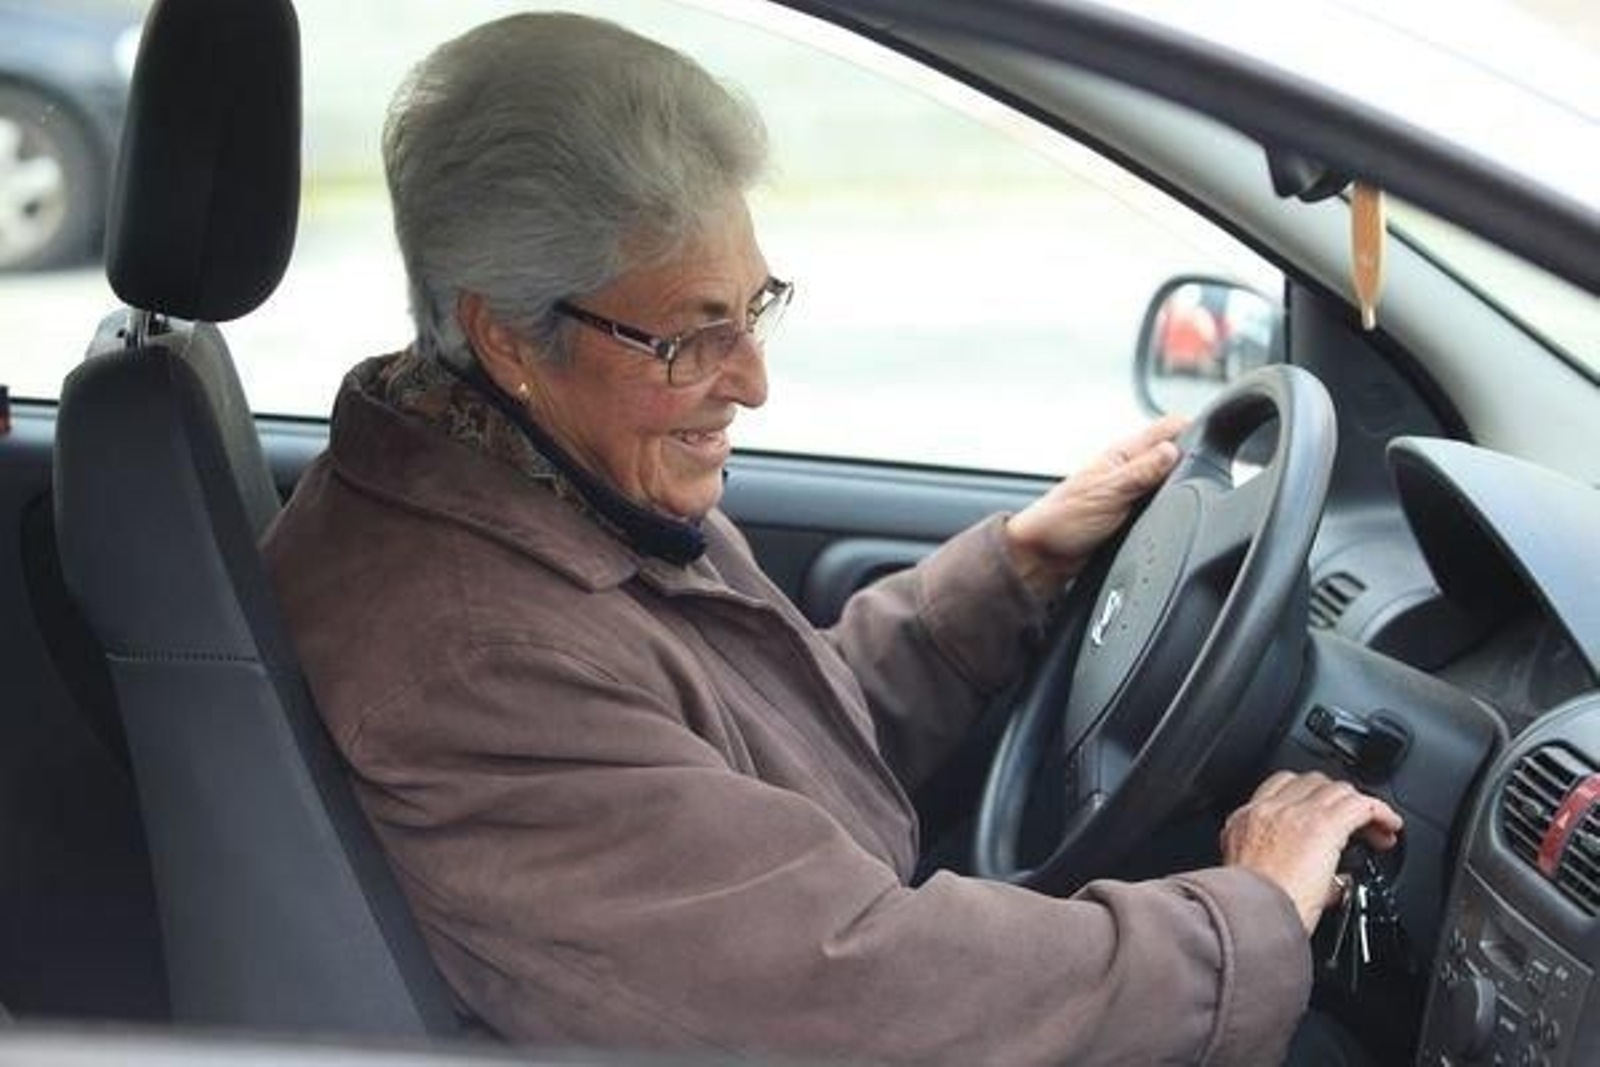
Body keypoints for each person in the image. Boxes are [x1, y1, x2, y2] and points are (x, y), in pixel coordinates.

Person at [263, 13, 1401, 1065]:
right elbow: (848, 991)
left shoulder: (537, 475)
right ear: (504, 333)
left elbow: (759, 742)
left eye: (753, 310)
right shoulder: (475, 657)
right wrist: (1243, 921)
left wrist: (1018, 567)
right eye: (690, 338)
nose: (751, 381)